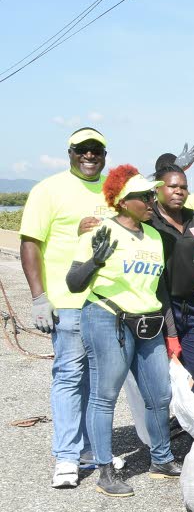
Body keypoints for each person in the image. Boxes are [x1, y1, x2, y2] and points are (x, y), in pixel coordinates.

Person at [65, 165, 181, 496]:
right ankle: (104, 471)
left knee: (160, 394)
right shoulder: (100, 232)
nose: (151, 200)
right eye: (144, 196)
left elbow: (158, 289)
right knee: (105, 396)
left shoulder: (156, 237)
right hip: (106, 318)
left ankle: (161, 459)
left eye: (151, 195)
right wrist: (96, 262)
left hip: (147, 322)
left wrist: (169, 330)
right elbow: (74, 283)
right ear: (122, 201)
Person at [20, 127, 111, 488]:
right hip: (68, 304)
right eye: (82, 149)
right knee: (70, 377)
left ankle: (87, 448)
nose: (89, 155)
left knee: (97, 380)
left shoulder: (112, 190)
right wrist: (39, 297)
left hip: (106, 305)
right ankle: (66, 457)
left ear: (105, 155)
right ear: (69, 152)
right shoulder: (48, 189)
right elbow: (30, 244)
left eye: (96, 150)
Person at [147, 162, 194, 406]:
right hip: (161, 309)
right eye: (172, 186)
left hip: (193, 308)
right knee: (164, 378)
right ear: (157, 189)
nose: (179, 191)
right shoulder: (148, 219)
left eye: (183, 187)